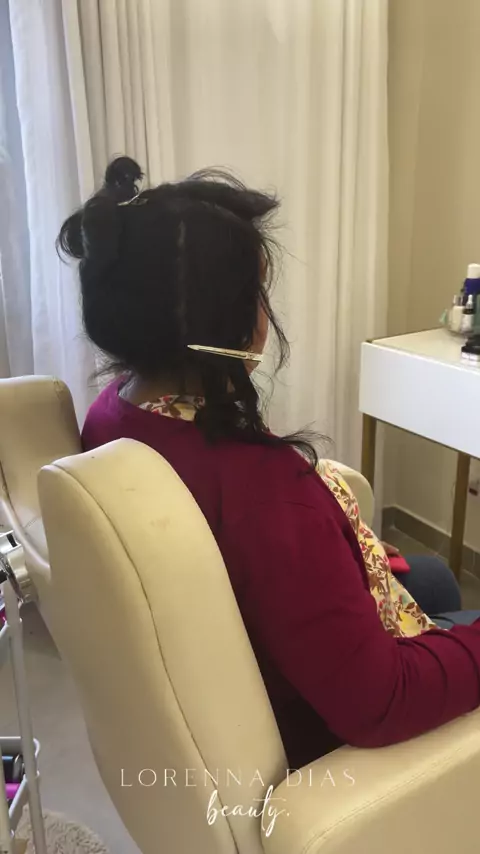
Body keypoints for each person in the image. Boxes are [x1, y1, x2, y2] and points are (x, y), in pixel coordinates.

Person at [59, 157, 480, 768]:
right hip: (318, 733)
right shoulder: (265, 492)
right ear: (219, 318)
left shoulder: (114, 411)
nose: (265, 311)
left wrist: (336, 545)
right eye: (257, 291)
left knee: (434, 577)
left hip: (245, 643)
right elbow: (381, 701)